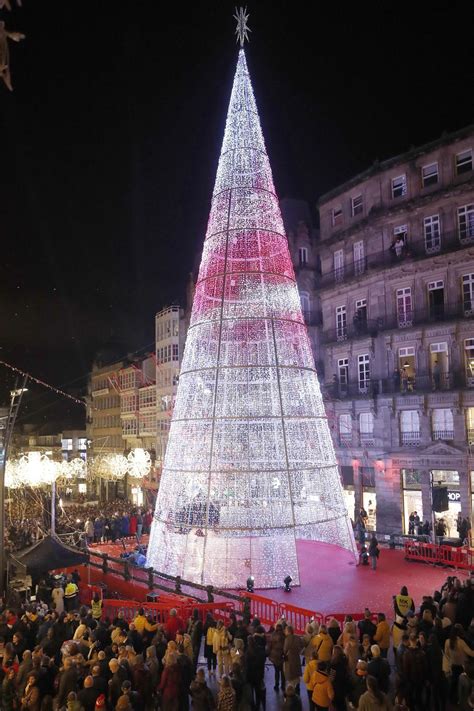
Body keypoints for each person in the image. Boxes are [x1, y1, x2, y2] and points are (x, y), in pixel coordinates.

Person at [268, 622, 285, 692]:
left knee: (276, 671)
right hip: (282, 656)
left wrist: (269, 654)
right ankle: (283, 685)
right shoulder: (284, 636)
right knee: (283, 672)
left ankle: (276, 684)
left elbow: (270, 646)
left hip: (274, 656)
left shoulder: (273, 635)